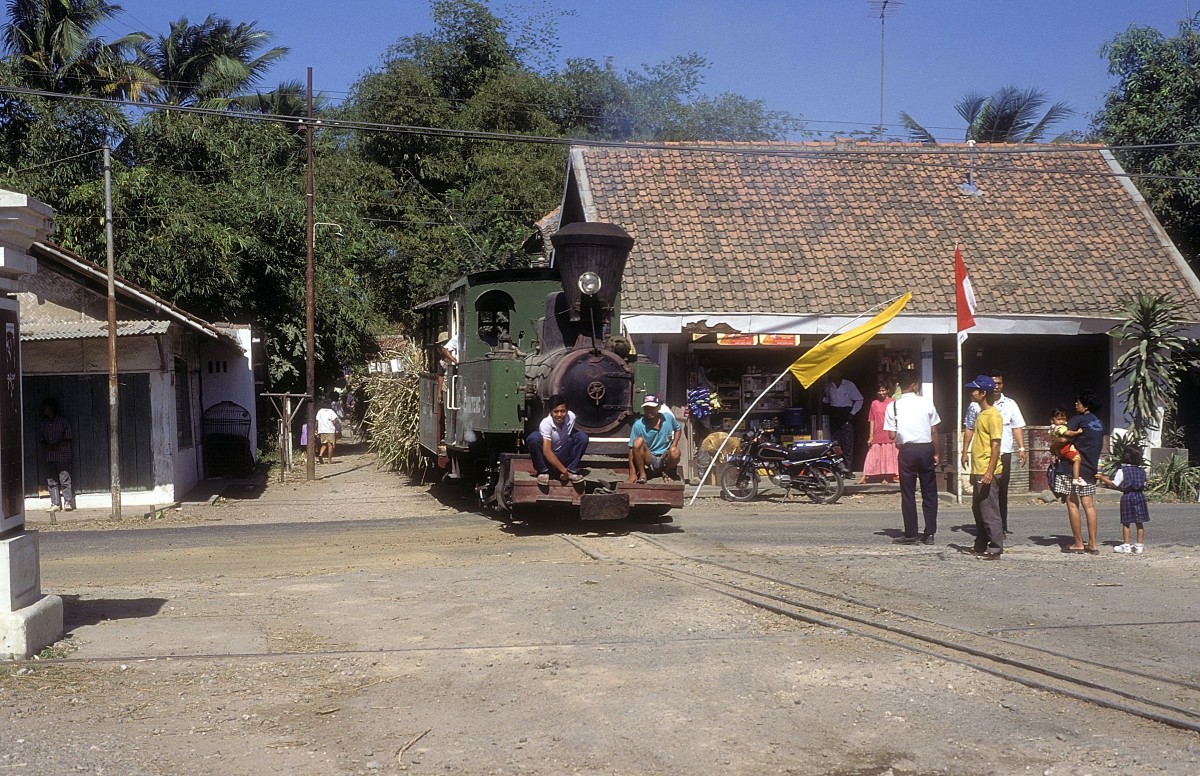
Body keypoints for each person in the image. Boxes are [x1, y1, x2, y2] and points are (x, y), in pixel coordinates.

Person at [960, 370, 1027, 533]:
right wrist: (964, 451)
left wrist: (1022, 447)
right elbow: (969, 428)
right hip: (983, 456)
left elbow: (1016, 427)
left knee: (1001, 492)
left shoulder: (1010, 403)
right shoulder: (975, 405)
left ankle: (1000, 527)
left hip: (1003, 453)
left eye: (1000, 383)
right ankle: (984, 529)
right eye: (994, 383)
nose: (997, 387)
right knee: (980, 494)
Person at [884, 369, 940, 544]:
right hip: (925, 449)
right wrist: (937, 452)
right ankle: (929, 533)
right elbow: (934, 430)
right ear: (915, 385)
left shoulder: (892, 405)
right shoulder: (926, 403)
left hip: (907, 451)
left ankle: (910, 533)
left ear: (899, 385)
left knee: (908, 493)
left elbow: (892, 436)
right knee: (929, 492)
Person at [964, 375, 1004, 559]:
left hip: (987, 469)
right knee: (978, 508)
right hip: (978, 467)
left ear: (983, 393)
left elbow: (996, 445)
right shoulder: (981, 414)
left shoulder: (993, 416)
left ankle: (996, 546)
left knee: (989, 510)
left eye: (974, 390)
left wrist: (989, 471)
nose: (971, 393)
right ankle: (980, 543)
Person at [1060, 390, 1104, 554]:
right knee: (1089, 505)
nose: (1075, 405)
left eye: (1078, 403)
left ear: (1085, 405)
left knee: (1072, 503)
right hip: (1091, 468)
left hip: (1074, 467)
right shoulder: (1099, 423)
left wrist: (1053, 445)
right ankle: (1092, 544)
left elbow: (1065, 438)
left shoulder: (1077, 420)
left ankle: (1078, 543)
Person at [526, 393, 588, 486]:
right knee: (533, 438)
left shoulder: (571, 417)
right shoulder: (545, 424)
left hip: (562, 454)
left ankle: (571, 470)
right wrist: (563, 471)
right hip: (547, 459)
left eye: (563, 411)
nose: (559, 415)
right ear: (550, 412)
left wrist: (566, 471)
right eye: (556, 411)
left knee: (582, 437)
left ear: (567, 411)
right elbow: (547, 451)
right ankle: (543, 472)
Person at [1095, 447, 1149, 554]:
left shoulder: (1122, 470)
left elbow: (1115, 484)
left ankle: (1126, 545)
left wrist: (1102, 478)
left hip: (1128, 496)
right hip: (1139, 496)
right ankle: (1139, 546)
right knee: (1139, 522)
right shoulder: (1142, 471)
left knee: (1126, 522)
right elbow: (1145, 484)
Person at [628, 393, 681, 484]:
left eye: (652, 408)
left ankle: (666, 471)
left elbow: (678, 428)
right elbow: (631, 450)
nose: (649, 411)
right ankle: (642, 474)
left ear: (658, 407)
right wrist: (632, 473)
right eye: (646, 408)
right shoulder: (638, 425)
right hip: (650, 456)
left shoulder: (667, 418)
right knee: (637, 442)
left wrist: (674, 443)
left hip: (665, 456)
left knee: (675, 451)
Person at [39, 397, 75, 513]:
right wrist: (48, 445)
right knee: (52, 480)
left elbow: (68, 437)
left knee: (65, 479)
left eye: (46, 408)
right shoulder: (44, 424)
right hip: (50, 455)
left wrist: (56, 445)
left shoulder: (63, 422)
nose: (44, 410)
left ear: (51, 408)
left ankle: (68, 502)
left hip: (62, 454)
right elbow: (42, 439)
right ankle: (55, 504)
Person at [823, 368, 863, 470]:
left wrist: (852, 413)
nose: (833, 374)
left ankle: (848, 468)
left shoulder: (849, 385)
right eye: (832, 372)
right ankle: (838, 468)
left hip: (846, 413)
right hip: (834, 413)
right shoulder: (829, 386)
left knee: (847, 443)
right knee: (835, 442)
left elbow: (859, 399)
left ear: (841, 373)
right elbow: (826, 399)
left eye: (835, 372)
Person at [859, 382, 898, 484]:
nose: (881, 393)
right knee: (872, 454)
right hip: (877, 432)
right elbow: (871, 419)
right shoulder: (874, 403)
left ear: (887, 391)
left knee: (888, 455)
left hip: (889, 432)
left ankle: (886, 476)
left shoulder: (892, 402)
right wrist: (870, 435)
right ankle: (865, 475)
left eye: (883, 390)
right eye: (879, 391)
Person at [1048, 407, 1084, 487]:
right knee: (1077, 459)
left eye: (1063, 419)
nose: (1061, 421)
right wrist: (1077, 432)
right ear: (1052, 420)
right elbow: (1067, 433)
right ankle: (1076, 478)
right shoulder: (1060, 427)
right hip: (1065, 447)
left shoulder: (1051, 428)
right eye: (1059, 419)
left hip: (1058, 449)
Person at [316, 398, 341, 464]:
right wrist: (337, 428)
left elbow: (317, 421)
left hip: (321, 430)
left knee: (325, 444)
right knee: (331, 445)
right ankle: (329, 460)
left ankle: (320, 454)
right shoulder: (331, 411)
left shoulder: (320, 411)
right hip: (330, 430)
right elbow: (334, 421)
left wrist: (315, 430)